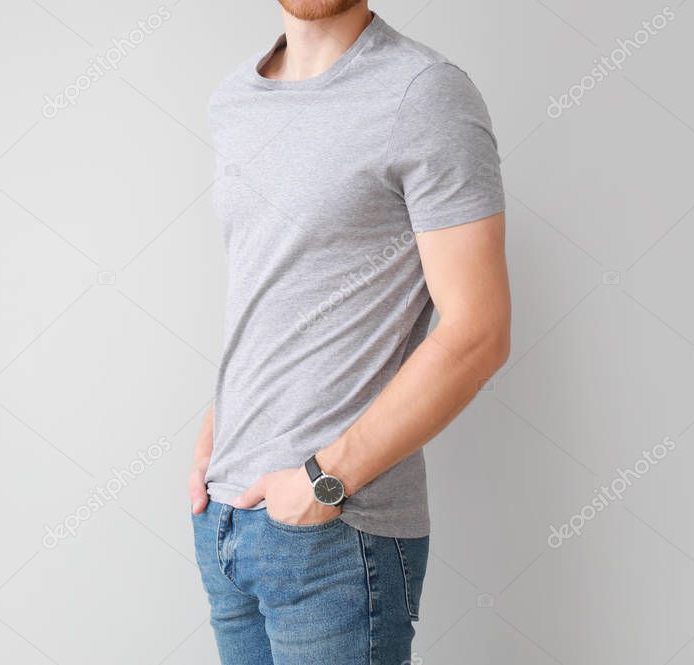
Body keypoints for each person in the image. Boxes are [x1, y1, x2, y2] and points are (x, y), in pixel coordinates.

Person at [188, 1, 510, 662]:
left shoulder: (422, 93)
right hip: (225, 516)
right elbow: (274, 287)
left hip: (337, 527)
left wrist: (323, 480)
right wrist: (213, 434)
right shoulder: (233, 99)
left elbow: (479, 331)